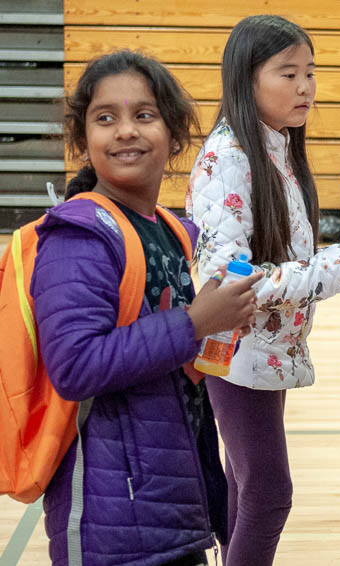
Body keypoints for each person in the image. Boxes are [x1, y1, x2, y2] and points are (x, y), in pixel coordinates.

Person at [30, 49, 263, 566]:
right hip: (112, 525)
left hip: (174, 505)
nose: (125, 131)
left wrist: (216, 329)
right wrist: (194, 323)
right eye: (105, 118)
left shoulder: (170, 228)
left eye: (144, 115)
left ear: (175, 135)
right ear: (84, 141)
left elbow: (170, 359)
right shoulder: (78, 237)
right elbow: (75, 366)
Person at [186, 15, 340, 566]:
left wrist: (335, 261)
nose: (305, 87)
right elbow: (232, 279)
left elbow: (283, 255)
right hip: (236, 350)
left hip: (265, 349)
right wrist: (334, 269)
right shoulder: (229, 158)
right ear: (247, 80)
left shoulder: (276, 146)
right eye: (288, 73)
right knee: (270, 493)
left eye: (310, 73)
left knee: (247, 482)